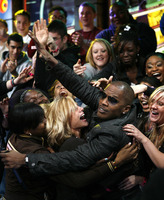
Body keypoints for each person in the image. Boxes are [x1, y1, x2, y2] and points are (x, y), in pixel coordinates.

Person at [1, 30, 140, 199]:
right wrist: (47, 56)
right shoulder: (111, 107)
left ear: (125, 109)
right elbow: (77, 84)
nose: (103, 102)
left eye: (112, 100)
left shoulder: (115, 132)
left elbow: (77, 158)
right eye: (103, 95)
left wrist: (25, 160)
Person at [4, 102, 53, 200]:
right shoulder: (35, 152)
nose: (46, 121)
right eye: (41, 121)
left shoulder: (15, 136)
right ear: (27, 130)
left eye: (44, 117)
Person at [123, 85, 164, 169]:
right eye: (152, 101)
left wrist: (143, 138)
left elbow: (162, 165)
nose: (153, 106)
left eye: (160, 104)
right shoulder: (154, 128)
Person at [0, 33, 32, 98]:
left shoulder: (28, 64)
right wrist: (1, 73)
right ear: (7, 45)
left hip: (17, 100)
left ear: (23, 47)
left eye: (19, 48)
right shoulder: (1, 62)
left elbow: (26, 88)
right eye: (13, 47)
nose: (16, 51)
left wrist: (15, 74)